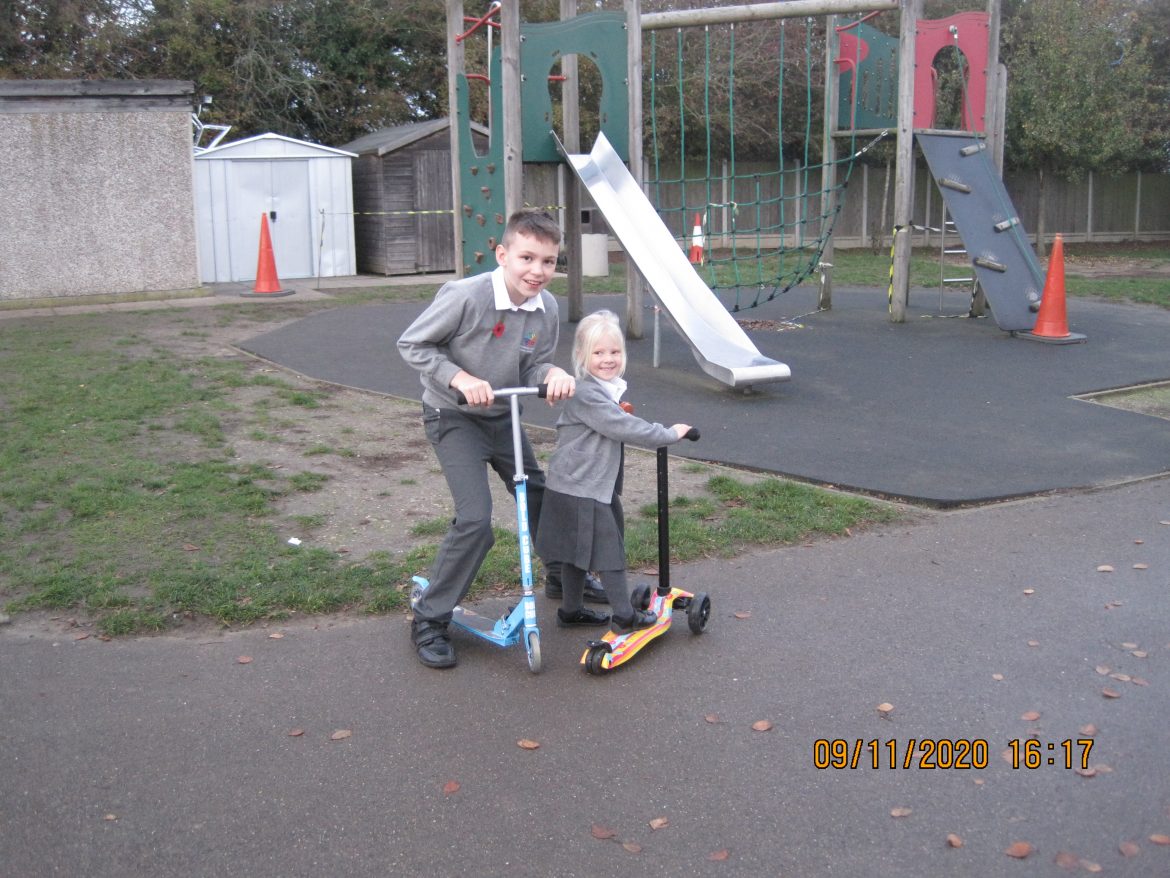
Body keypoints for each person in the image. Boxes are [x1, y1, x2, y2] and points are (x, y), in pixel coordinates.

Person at [397, 209, 604, 669]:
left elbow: (533, 365)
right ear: (503, 254)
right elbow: (413, 344)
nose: (537, 271)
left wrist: (551, 373)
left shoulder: (545, 308)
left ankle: (561, 579)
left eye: (549, 262)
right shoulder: (465, 296)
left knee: (542, 497)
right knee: (475, 520)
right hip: (452, 416)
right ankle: (429, 617)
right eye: (527, 258)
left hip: (502, 416)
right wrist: (458, 377)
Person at [536, 309, 692, 635]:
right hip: (583, 489)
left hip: (580, 485)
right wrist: (669, 433)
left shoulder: (600, 390)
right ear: (581, 356)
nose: (608, 359)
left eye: (615, 352)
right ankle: (624, 616)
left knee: (575, 552)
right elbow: (623, 426)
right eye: (598, 352)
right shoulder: (587, 393)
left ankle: (571, 610)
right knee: (609, 552)